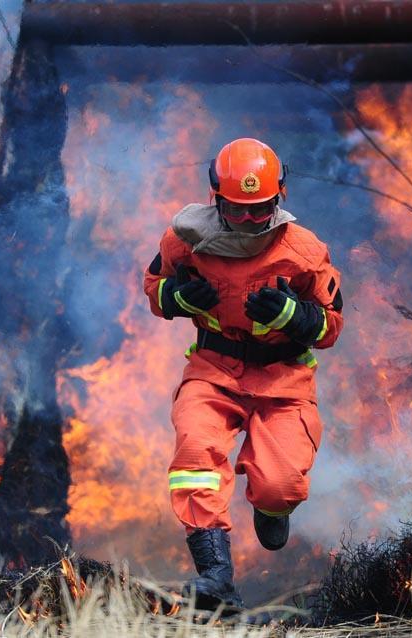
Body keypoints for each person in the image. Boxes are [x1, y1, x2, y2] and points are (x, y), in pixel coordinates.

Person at [142, 137, 344, 608]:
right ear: (217, 199)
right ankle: (215, 575)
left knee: (282, 485)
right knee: (195, 450)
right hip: (214, 369)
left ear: (280, 199)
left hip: (282, 379)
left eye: (261, 210)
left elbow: (332, 325)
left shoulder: (305, 251)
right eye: (238, 210)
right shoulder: (184, 240)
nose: (250, 221)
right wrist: (180, 298)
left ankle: (272, 509)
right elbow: (154, 289)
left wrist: (294, 315)